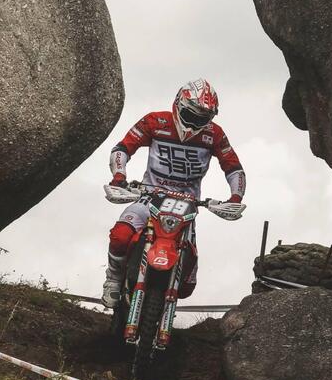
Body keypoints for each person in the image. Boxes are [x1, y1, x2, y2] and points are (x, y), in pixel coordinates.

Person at [102, 78, 246, 307]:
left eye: (201, 119)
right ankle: (113, 278)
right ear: (178, 105)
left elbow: (234, 168)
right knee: (120, 235)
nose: (194, 124)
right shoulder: (155, 121)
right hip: (149, 197)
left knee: (187, 285)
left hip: (186, 206)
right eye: (190, 116)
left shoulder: (215, 134)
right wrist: (119, 177)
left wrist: (235, 197)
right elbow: (122, 148)